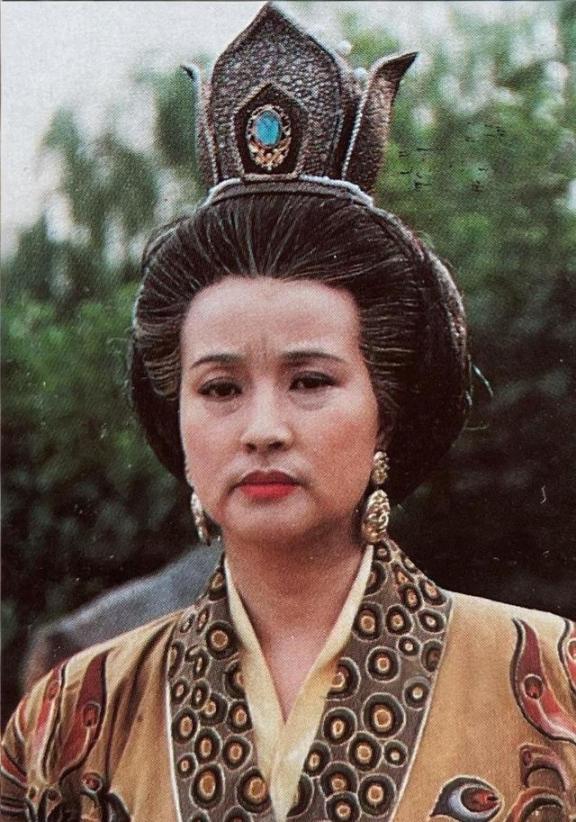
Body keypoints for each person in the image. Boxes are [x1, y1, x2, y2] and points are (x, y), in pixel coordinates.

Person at [2, 5, 574, 821]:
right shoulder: (70, 718)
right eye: (220, 389)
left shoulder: (551, 679)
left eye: (310, 382)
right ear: (177, 414)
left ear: (386, 410)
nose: (263, 428)